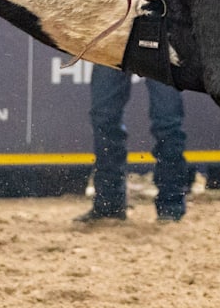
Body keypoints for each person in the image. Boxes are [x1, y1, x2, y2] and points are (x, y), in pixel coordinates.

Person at [79, 65, 191, 223]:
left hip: (160, 44)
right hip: (115, 41)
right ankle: (109, 205)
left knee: (167, 122)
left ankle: (171, 206)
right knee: (104, 117)